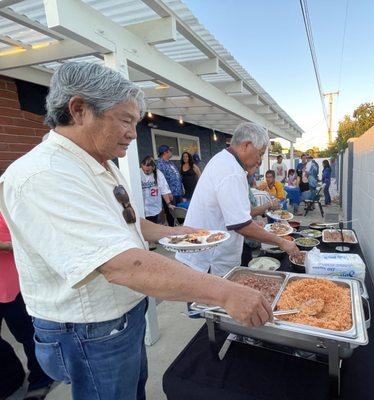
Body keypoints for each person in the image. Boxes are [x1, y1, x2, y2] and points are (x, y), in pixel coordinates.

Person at [0, 62, 273, 400]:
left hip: (123, 317)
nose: (133, 132)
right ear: (79, 109)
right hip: (89, 331)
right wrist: (224, 292)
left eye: (136, 122)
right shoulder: (45, 175)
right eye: (126, 120)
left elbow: (128, 222)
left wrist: (176, 233)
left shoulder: (100, 163)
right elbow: (120, 265)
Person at [175, 122, 299, 277]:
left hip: (207, 257)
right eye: (260, 154)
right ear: (246, 145)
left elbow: (234, 215)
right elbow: (241, 226)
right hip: (207, 263)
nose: (259, 160)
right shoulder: (231, 170)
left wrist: (253, 224)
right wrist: (282, 242)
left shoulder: (225, 160)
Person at [0, 213, 54, 400]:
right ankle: (11, 378)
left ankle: (41, 379)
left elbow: (26, 242)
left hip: (13, 285)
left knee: (28, 336)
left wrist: (3, 245)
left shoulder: (4, 206)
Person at [140, 155, 173, 224]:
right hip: (141, 207)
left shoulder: (158, 174)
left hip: (154, 207)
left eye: (148, 170)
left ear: (153, 167)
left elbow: (164, 190)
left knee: (152, 226)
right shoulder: (137, 173)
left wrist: (169, 204)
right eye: (144, 170)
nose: (145, 172)